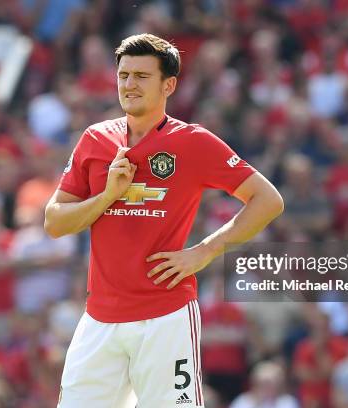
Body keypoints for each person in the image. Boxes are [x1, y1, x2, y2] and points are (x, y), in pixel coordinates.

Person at [44, 33, 284, 407]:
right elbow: (55, 222)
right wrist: (107, 196)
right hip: (99, 317)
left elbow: (267, 200)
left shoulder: (193, 141)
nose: (129, 84)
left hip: (165, 317)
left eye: (141, 75)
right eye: (124, 75)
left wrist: (205, 251)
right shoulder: (95, 139)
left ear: (168, 84)